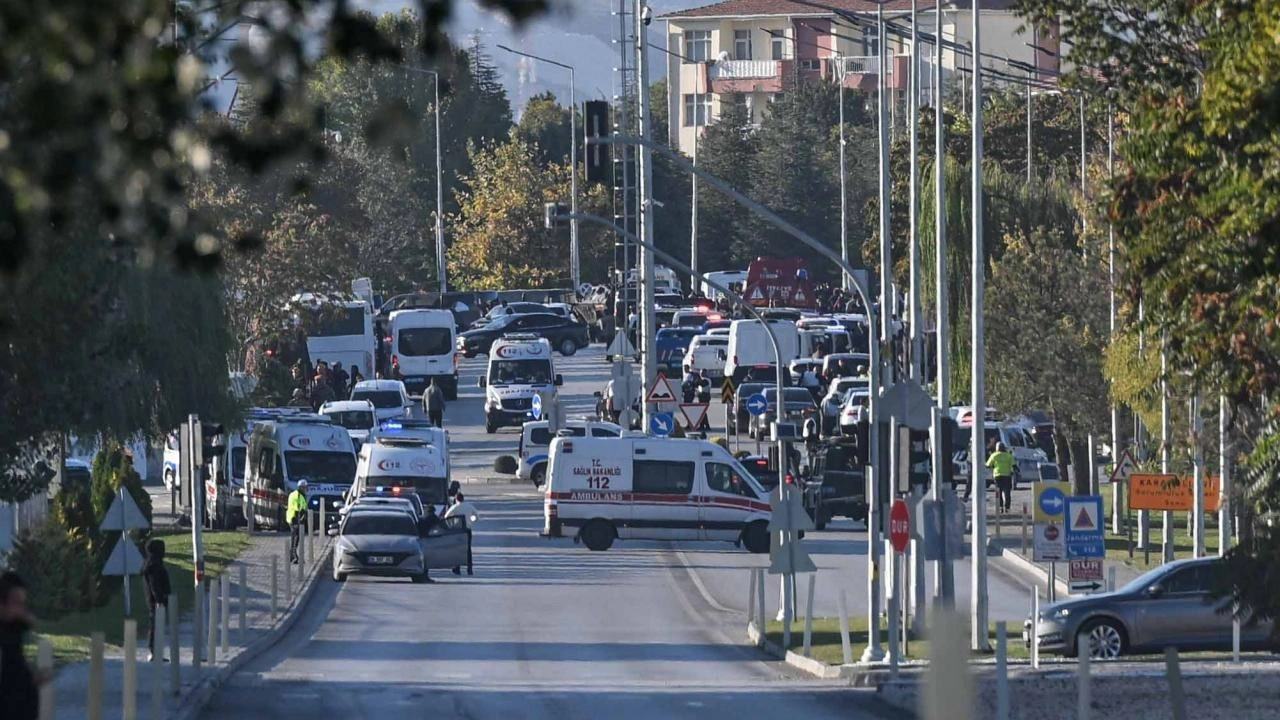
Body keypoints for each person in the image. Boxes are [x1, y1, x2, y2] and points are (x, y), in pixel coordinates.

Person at [0, 571, 46, 720]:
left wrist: (30, 676)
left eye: (22, 603)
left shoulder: (14, 626)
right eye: (16, 603)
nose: (21, 609)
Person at [142, 539, 172, 662]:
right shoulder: (154, 566)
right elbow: (154, 585)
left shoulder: (153, 564)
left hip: (158, 600)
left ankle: (157, 652)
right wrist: (160, 599)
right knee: (155, 626)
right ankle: (153, 652)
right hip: (157, 601)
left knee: (157, 626)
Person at [444, 492, 479, 576]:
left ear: (456, 499)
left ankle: (457, 568)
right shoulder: (469, 506)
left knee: (457, 549)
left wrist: (451, 524)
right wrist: (471, 521)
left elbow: (446, 517)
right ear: (463, 499)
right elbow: (477, 516)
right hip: (467, 530)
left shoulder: (455, 507)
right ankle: (469, 569)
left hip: (458, 530)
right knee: (468, 549)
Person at [986, 442, 1016, 513]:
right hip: (1007, 476)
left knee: (998, 492)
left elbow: (987, 465)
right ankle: (1007, 508)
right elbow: (1014, 465)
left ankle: (1000, 507)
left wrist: (993, 466)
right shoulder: (1009, 455)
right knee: (1007, 492)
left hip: (997, 476)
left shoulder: (994, 455)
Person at [287, 480, 309, 564]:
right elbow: (298, 508)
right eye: (305, 487)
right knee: (295, 538)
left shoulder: (295, 494)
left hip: (292, 518)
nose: (306, 489)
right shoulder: (298, 495)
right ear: (301, 487)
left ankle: (293, 556)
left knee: (294, 538)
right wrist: (301, 518)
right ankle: (293, 557)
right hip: (295, 519)